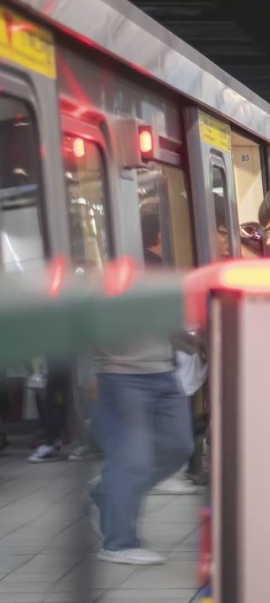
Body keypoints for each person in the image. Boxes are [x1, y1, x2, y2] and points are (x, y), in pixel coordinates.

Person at [88, 208, 195, 565]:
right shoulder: (101, 278)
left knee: (179, 446)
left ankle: (108, 493)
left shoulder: (161, 271)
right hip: (118, 375)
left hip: (162, 371)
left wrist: (198, 345)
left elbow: (168, 322)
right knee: (131, 459)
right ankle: (118, 542)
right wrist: (88, 376)